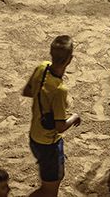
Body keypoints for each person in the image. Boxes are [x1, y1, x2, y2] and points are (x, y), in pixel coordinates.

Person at [23, 36, 81, 197]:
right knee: (49, 192)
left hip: (35, 136)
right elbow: (60, 126)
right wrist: (74, 117)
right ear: (70, 59)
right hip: (49, 144)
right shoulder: (59, 90)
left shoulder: (42, 67)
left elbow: (27, 91)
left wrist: (44, 98)